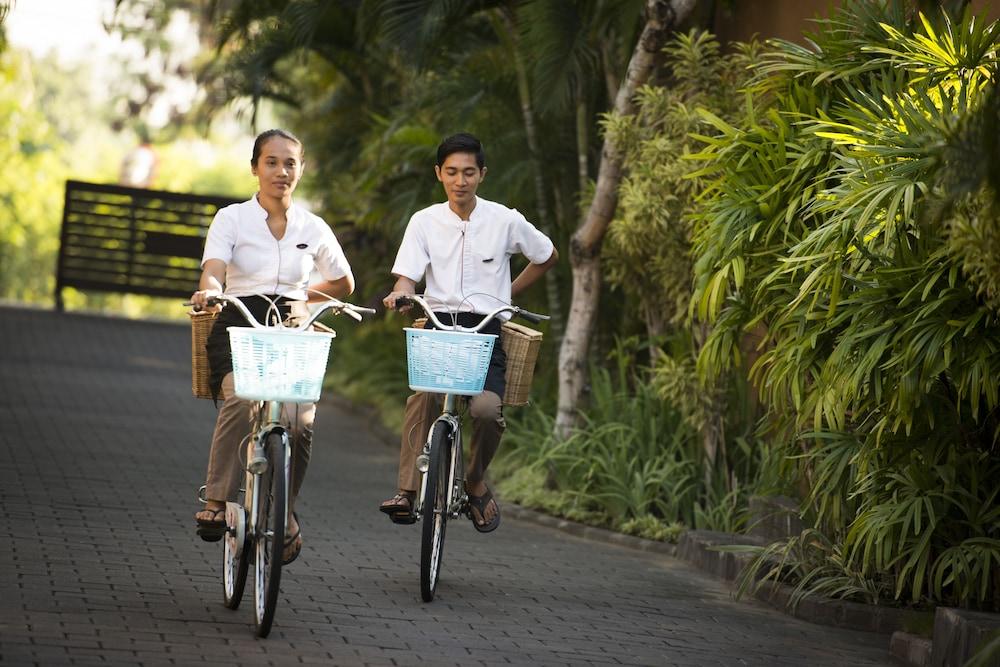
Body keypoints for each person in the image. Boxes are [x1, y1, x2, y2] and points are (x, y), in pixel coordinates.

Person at [190, 129, 355, 564]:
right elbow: (213, 269)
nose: (281, 171)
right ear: (255, 167)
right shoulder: (231, 218)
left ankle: (285, 510)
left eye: (290, 163)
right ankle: (217, 500)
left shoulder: (313, 226)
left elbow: (343, 282)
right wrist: (209, 290)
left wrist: (304, 299)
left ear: (300, 170)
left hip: (291, 324)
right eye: (271, 162)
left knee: (300, 422)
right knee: (242, 397)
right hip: (238, 318)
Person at [380, 132, 558, 532]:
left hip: (485, 331)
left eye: (469, 172)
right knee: (423, 400)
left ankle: (475, 481)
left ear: (482, 174)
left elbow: (547, 255)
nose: (460, 181)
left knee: (486, 412)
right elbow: (406, 276)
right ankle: (407, 492)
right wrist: (402, 295)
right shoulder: (424, 221)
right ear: (439, 174)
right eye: (452, 172)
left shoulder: (505, 219)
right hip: (440, 326)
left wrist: (506, 294)